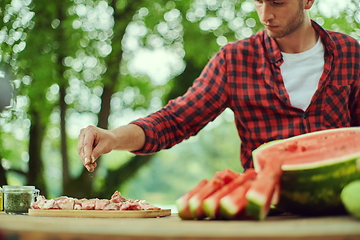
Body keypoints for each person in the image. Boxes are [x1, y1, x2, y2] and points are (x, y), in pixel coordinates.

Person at [78, 0, 360, 172]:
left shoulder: (351, 53)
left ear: (308, 0)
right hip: (263, 210)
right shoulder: (233, 61)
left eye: (277, 3)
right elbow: (176, 120)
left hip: (340, 206)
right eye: (259, 1)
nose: (264, 15)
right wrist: (114, 138)